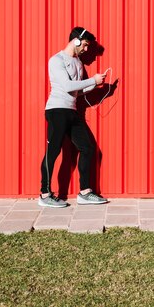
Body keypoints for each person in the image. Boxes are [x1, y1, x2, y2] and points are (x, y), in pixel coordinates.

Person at [39, 27, 109, 207]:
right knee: (53, 152)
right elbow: (67, 86)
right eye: (85, 45)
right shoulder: (56, 60)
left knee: (88, 148)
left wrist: (99, 85)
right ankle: (45, 194)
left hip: (71, 111)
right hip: (56, 110)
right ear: (76, 41)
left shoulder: (78, 63)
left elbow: (78, 90)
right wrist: (92, 80)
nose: (86, 50)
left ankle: (85, 192)